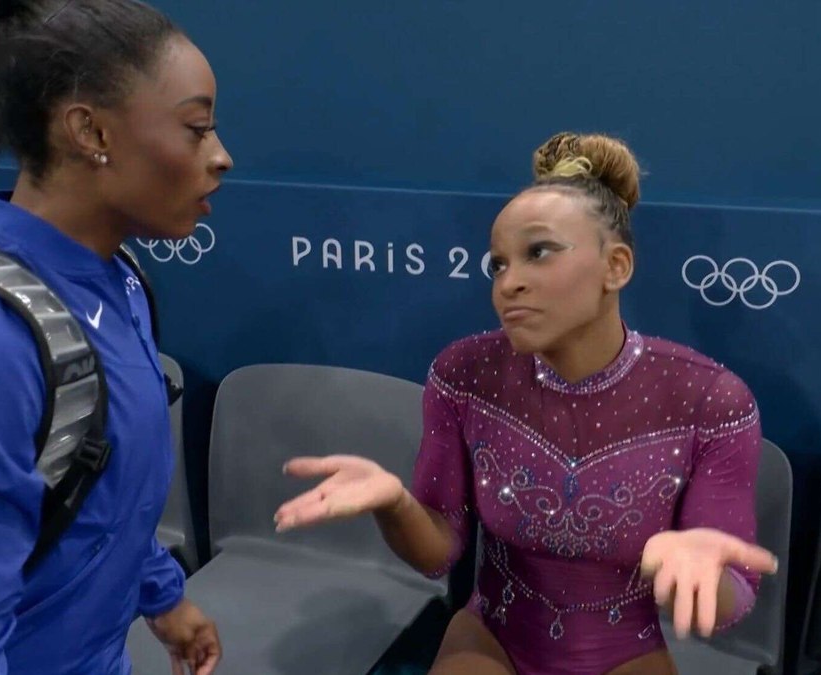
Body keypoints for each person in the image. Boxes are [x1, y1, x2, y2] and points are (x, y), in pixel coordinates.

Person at [275, 131, 777, 674]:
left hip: (625, 656)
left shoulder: (709, 401)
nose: (509, 283)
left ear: (617, 267)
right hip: (492, 639)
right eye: (498, 264)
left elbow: (734, 596)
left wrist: (688, 575)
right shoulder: (465, 374)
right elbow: (437, 552)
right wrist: (395, 505)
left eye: (539, 252)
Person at [0, 1, 231, 673]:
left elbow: (94, 491)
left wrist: (161, 594)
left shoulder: (116, 278)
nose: (221, 156)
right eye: (196, 128)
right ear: (89, 131)